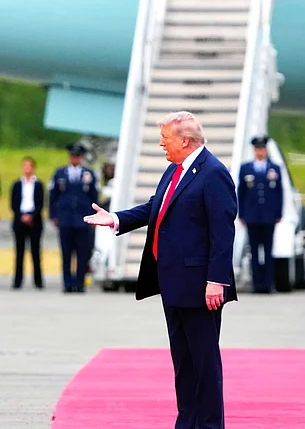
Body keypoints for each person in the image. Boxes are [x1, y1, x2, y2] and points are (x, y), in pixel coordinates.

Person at [84, 111, 237, 429]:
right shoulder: (174, 170)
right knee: (183, 363)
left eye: (165, 138)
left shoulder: (213, 173)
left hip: (200, 287)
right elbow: (156, 206)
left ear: (185, 140)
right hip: (173, 283)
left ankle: (210, 425)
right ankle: (187, 422)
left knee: (205, 364)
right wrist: (115, 219)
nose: (161, 144)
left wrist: (216, 281)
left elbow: (223, 232)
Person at [49, 142, 98, 293]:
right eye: (72, 156)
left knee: (82, 252)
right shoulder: (60, 173)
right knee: (66, 252)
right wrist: (53, 215)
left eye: (77, 156)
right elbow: (52, 196)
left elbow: (94, 196)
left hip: (82, 218)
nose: (75, 159)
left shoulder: (88, 174)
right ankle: (67, 282)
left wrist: (94, 216)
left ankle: (80, 282)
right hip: (65, 218)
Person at [237, 135, 283, 294]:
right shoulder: (246, 169)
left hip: (268, 216)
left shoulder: (274, 169)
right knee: (255, 251)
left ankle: (268, 283)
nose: (260, 151)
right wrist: (241, 213)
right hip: (252, 216)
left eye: (262, 148)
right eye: (257, 149)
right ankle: (257, 284)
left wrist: (278, 212)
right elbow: (241, 193)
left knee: (268, 250)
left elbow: (279, 192)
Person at [10, 156, 45, 289]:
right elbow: (13, 204)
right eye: (24, 166)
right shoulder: (17, 184)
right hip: (20, 220)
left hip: (34, 220)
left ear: (33, 168)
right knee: (19, 252)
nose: (27, 169)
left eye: (29, 166)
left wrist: (32, 215)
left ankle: (38, 280)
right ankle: (17, 281)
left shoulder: (39, 184)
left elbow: (41, 203)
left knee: (35, 251)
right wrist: (22, 216)